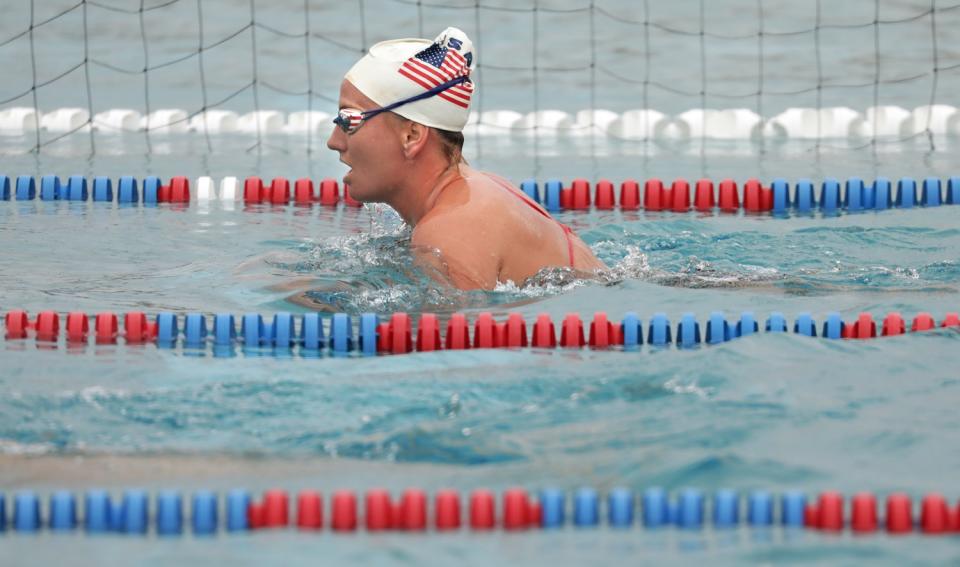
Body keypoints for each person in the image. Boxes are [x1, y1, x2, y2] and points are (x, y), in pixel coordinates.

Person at [327, 27, 606, 290]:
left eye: (349, 120)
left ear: (412, 135)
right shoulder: (475, 189)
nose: (334, 141)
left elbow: (453, 333)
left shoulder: (450, 231)